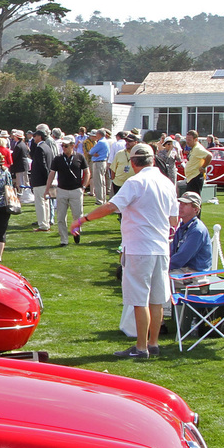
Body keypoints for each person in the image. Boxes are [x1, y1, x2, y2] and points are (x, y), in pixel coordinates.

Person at [72, 143, 179, 359]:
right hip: (160, 247)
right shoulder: (167, 183)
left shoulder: (135, 182)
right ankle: (153, 343)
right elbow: (174, 220)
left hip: (140, 247)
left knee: (140, 299)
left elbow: (112, 206)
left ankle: (141, 348)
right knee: (156, 299)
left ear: (132, 162)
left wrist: (83, 219)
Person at [51, 135, 88, 246]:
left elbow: (87, 172)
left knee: (77, 215)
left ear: (72, 146)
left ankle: (76, 233)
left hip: (76, 190)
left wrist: (84, 186)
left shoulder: (79, 157)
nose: (64, 148)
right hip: (62, 190)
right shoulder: (57, 158)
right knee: (61, 216)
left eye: (66, 146)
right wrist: (47, 188)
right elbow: (52, 174)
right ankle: (64, 239)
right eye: (62, 146)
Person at [169, 191, 213, 278]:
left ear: (196, 209)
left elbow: (182, 257)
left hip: (195, 273)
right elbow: (172, 250)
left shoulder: (197, 230)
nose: (180, 207)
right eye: (180, 203)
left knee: (158, 280)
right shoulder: (184, 226)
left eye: (185, 204)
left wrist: (162, 266)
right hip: (183, 269)